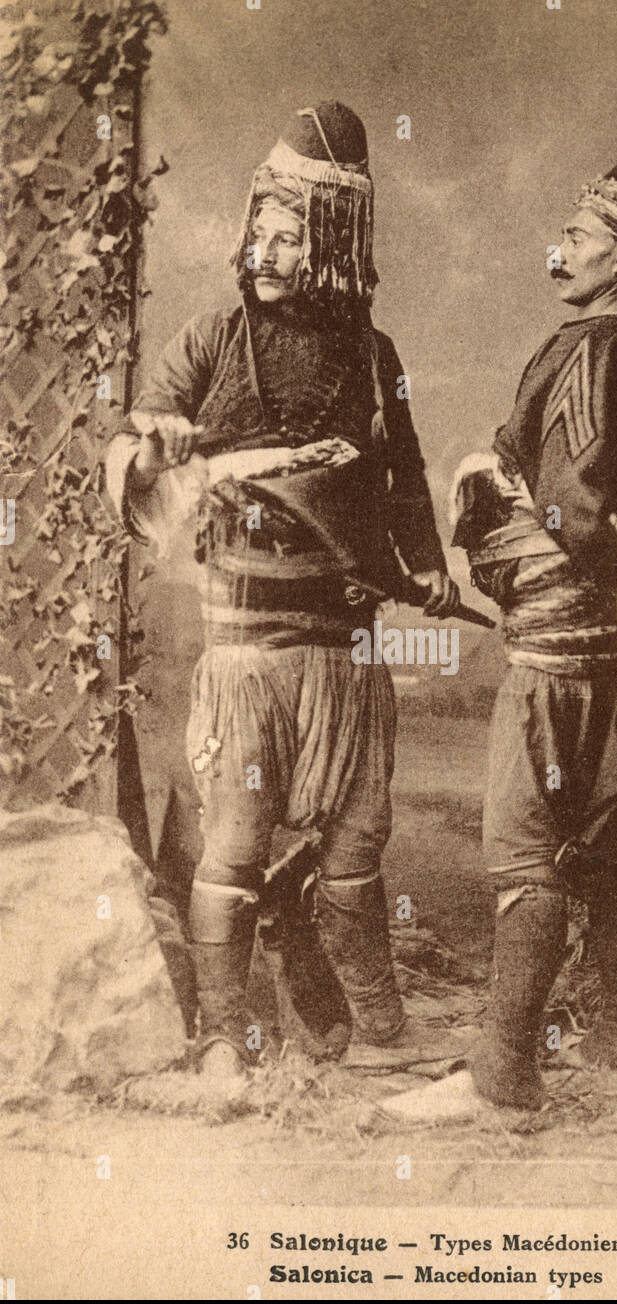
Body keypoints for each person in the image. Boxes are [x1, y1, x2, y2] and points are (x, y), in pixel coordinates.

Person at [106, 101, 458, 1079]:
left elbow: (403, 472)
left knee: (357, 838)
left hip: (343, 650)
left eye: (287, 233)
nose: (261, 248)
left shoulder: (372, 357)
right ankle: (222, 1035)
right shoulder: (214, 337)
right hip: (246, 652)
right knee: (235, 839)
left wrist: (423, 565)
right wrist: (156, 446)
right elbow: (134, 441)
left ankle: (374, 1024)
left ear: (336, 241)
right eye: (256, 226)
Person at [401, 141, 617, 1118]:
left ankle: (500, 1073)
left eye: (575, 236)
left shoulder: (589, 352)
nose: (555, 252)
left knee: (526, 850)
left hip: (558, 647)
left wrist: (488, 520)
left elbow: (569, 512)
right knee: (603, 841)